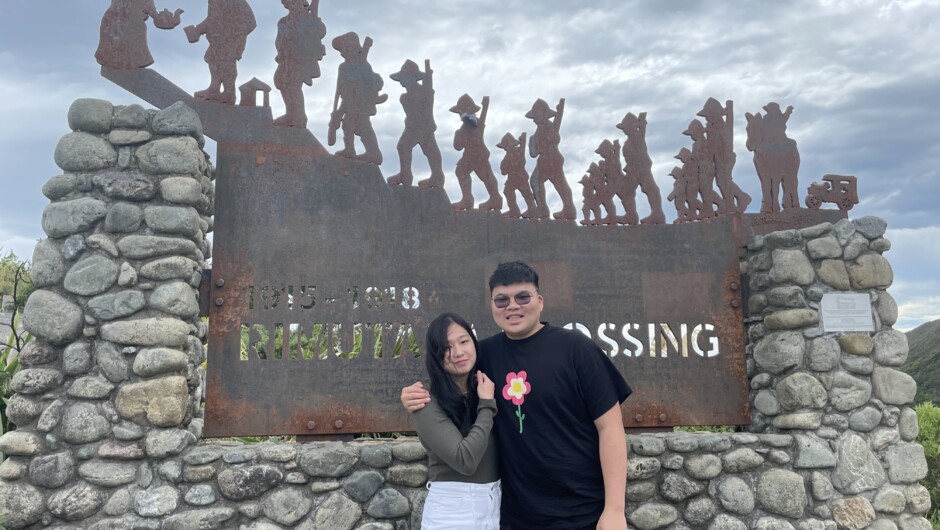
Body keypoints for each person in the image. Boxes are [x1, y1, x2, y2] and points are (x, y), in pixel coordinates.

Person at [403, 262, 632, 530]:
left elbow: (611, 428)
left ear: (540, 301)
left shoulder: (576, 349)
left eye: (522, 297)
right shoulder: (483, 356)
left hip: (582, 511)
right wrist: (411, 395)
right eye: (502, 300)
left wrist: (615, 509)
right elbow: (449, 380)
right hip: (515, 516)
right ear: (492, 306)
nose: (512, 306)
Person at [413, 313, 501, 529]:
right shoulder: (426, 403)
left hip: (494, 505)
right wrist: (487, 405)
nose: (458, 353)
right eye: (446, 347)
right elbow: (465, 460)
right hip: (452, 513)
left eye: (464, 341)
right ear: (435, 355)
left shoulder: (483, 388)